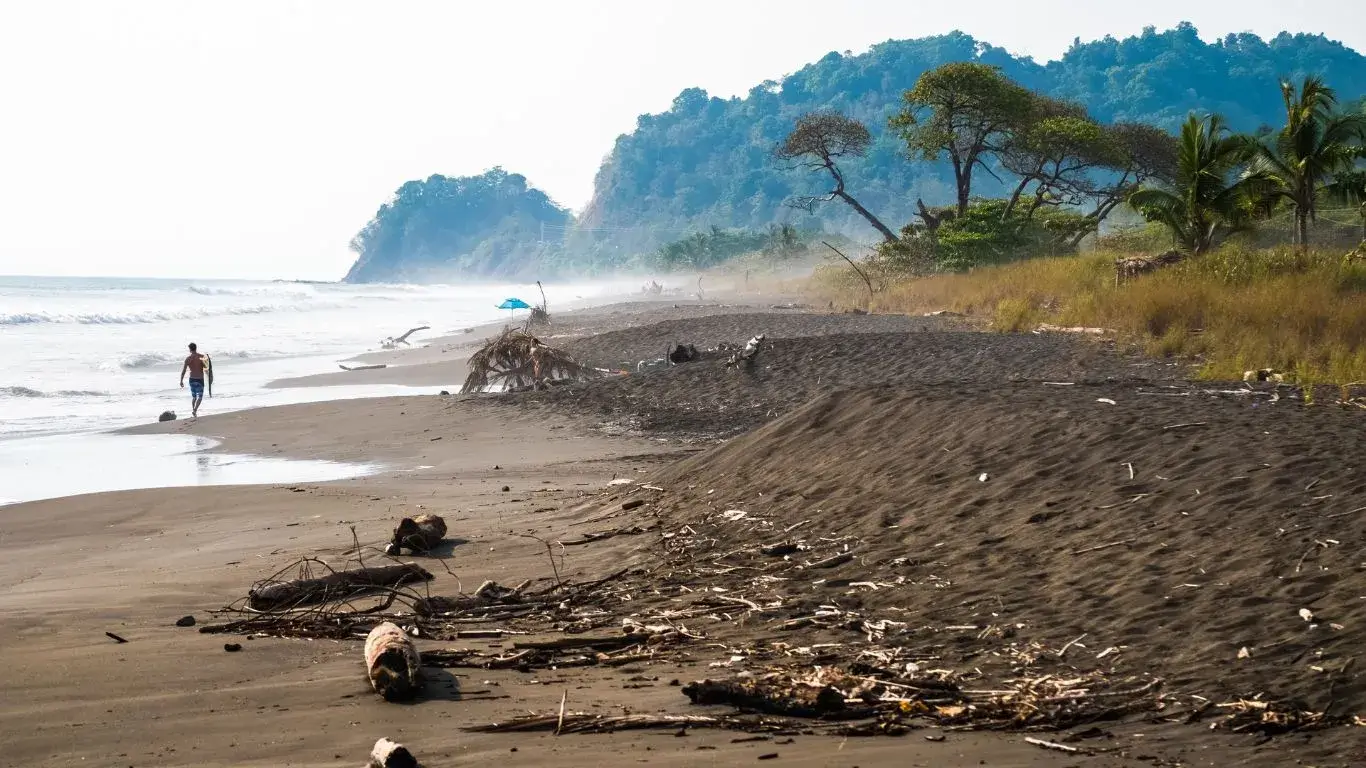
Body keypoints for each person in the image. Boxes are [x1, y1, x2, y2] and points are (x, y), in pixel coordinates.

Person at [180, 342, 209, 418]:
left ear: (190, 349)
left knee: (194, 397)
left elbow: (184, 370)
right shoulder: (201, 357)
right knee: (200, 397)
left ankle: (194, 411)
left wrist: (181, 380)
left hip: (192, 379)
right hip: (200, 380)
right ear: (196, 348)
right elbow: (206, 368)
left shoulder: (188, 359)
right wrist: (209, 377)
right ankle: (195, 410)